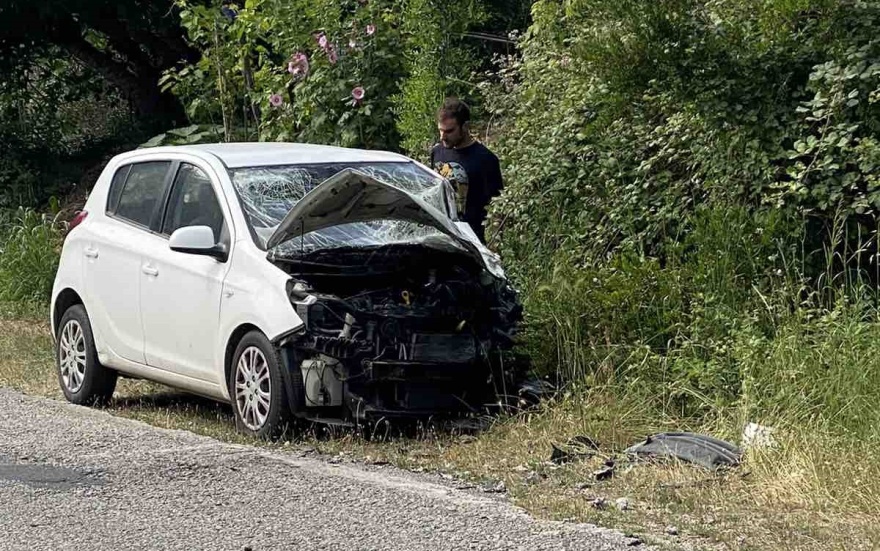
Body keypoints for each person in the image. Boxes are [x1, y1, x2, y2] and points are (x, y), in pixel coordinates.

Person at [429, 97, 503, 243]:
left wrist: (495, 244)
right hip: (440, 238)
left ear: (465, 126)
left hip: (471, 240)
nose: (443, 137)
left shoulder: (485, 159)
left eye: (449, 131)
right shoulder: (437, 152)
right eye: (440, 130)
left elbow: (498, 208)